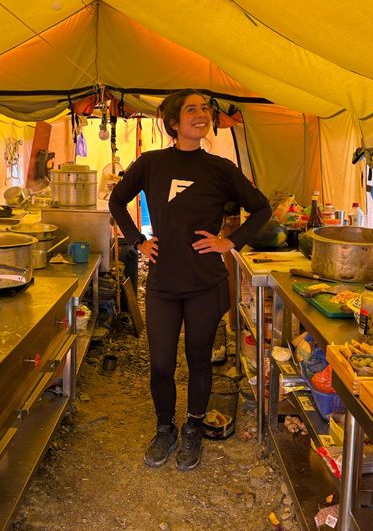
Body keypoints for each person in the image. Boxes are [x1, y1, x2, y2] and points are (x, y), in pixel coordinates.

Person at [109, 89, 272, 470]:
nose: (202, 115)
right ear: (173, 122)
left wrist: (230, 242)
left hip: (205, 283)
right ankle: (165, 428)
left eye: (206, 109)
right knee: (162, 364)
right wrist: (138, 242)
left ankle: (193, 428)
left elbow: (261, 208)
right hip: (164, 283)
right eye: (192, 109)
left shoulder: (221, 169)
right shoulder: (150, 164)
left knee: (199, 360)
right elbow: (117, 201)